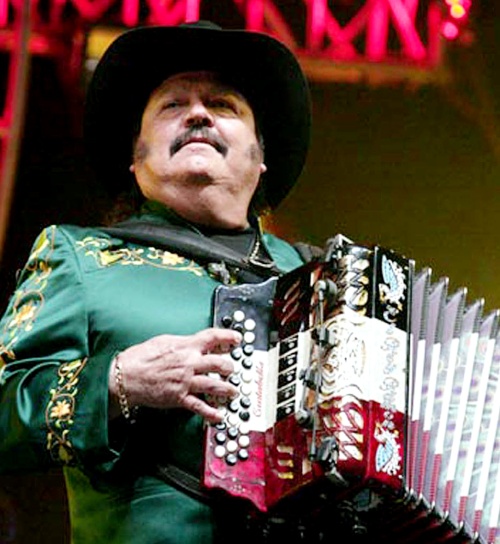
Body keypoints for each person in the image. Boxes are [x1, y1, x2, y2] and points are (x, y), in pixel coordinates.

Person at [0, 21, 357, 544]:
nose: (197, 114)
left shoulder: (323, 282)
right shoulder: (79, 256)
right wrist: (118, 381)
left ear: (261, 157)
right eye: (172, 105)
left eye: (223, 104)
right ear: (135, 155)